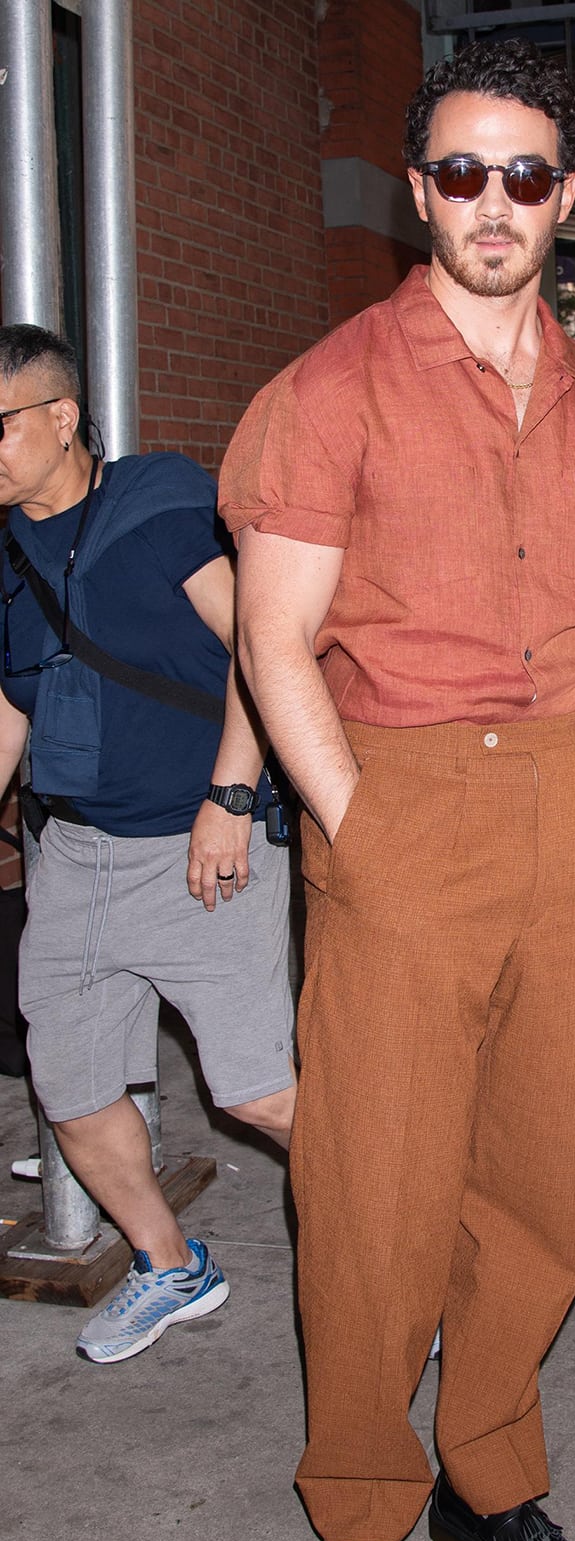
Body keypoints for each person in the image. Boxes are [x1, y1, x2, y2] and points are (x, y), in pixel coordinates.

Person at [219, 38, 575, 1541]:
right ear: (418, 192)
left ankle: (494, 1475)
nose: (492, 202)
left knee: (533, 1183)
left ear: (561, 195)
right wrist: (361, 832)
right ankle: (363, 1514)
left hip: (568, 797)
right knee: (377, 1195)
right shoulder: (333, 387)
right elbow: (276, 640)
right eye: (459, 172)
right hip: (400, 800)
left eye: (524, 174)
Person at [0, 324, 296, 1362]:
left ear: (62, 418)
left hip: (198, 848)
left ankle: (410, 1260)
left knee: (260, 1091)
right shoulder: (4, 554)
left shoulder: (157, 505)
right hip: (72, 859)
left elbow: (261, 648)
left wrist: (231, 792)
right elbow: (11, 703)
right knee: (72, 1084)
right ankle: (173, 1266)